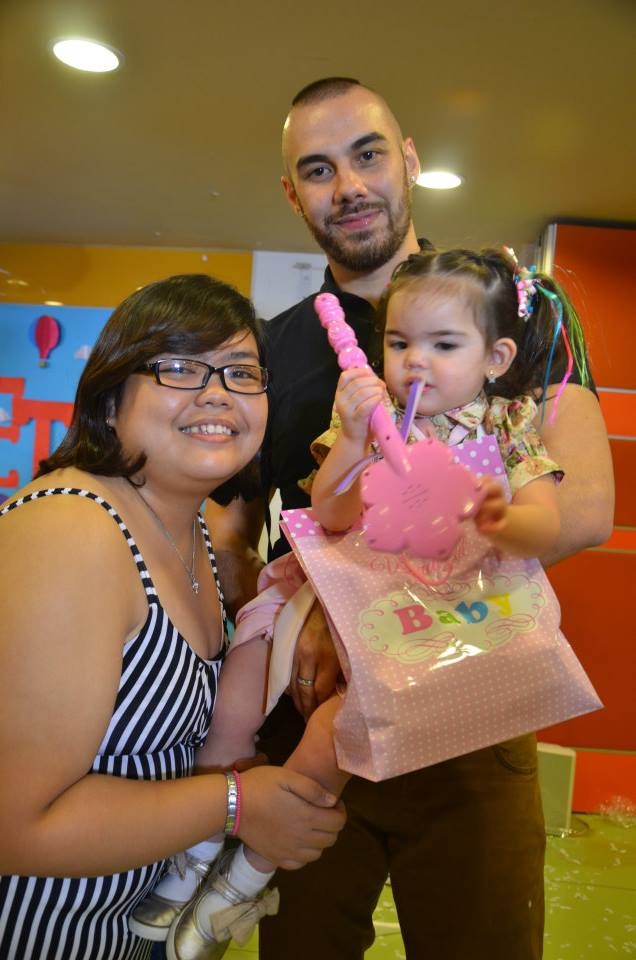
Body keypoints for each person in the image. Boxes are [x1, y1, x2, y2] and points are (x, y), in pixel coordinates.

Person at [207, 78, 615, 960]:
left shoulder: (516, 306)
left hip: (472, 702)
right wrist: (291, 631)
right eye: (318, 169)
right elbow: (234, 531)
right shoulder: (273, 347)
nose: (349, 185)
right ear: (292, 194)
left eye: (368, 155)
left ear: (411, 161)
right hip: (312, 720)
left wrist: (382, 607)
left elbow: (585, 508)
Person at [0, 274, 346, 960]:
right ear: (109, 401)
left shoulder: (197, 539)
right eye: (180, 367)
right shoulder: (74, 529)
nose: (217, 393)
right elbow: (15, 825)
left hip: (117, 934)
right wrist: (239, 803)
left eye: (241, 372)